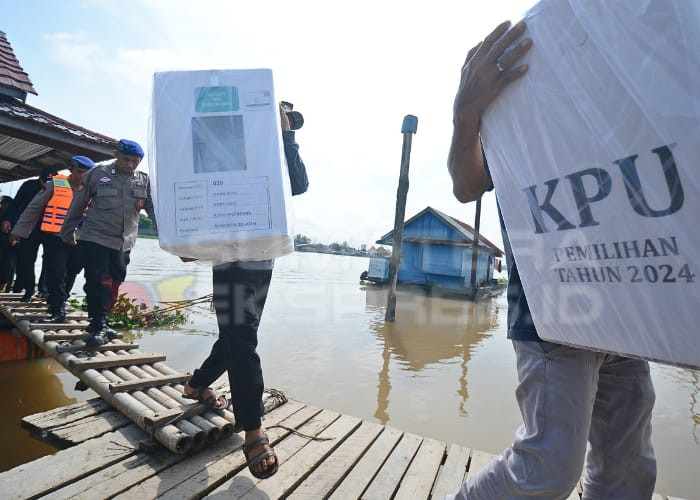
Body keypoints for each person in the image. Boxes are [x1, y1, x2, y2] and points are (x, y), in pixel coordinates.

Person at [446, 21, 656, 499]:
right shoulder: (510, 63)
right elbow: (466, 185)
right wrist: (466, 110)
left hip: (628, 295)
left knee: (629, 466)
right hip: (553, 299)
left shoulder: (631, 57)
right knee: (548, 467)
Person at [181, 103, 308, 480]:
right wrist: (192, 242)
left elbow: (298, 185)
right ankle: (253, 429)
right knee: (242, 337)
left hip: (263, 259)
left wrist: (288, 136)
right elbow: (200, 189)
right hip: (229, 257)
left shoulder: (278, 155)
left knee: (237, 336)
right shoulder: (229, 150)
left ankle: (195, 384)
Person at [59, 140, 157, 346]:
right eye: (126, 160)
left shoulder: (144, 180)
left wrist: (166, 234)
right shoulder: (97, 174)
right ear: (116, 155)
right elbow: (79, 203)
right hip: (95, 237)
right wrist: (68, 231)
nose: (130, 165)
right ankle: (98, 323)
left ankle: (103, 319)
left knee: (115, 281)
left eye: (135, 161)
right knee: (97, 280)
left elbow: (152, 210)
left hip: (124, 242)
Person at [10, 156, 95, 322]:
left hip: (80, 239)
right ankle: (58, 311)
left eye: (86, 173)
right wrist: (18, 231)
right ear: (70, 168)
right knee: (56, 272)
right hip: (56, 237)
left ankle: (59, 301)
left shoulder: (93, 189)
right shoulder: (55, 185)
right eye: (79, 172)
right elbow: (33, 209)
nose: (82, 176)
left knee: (71, 273)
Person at [1, 166, 58, 301]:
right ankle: (29, 289)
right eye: (45, 182)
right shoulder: (29, 186)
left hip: (51, 229)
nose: (47, 185)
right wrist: (7, 219)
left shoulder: (63, 188)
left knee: (50, 261)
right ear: (40, 179)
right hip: (30, 227)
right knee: (26, 259)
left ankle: (44, 290)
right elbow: (15, 205)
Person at [0, 195, 16, 291]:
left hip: (11, 245)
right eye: (3, 204)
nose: (4, 206)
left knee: (9, 266)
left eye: (6, 204)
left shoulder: (14, 216)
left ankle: (7, 287)